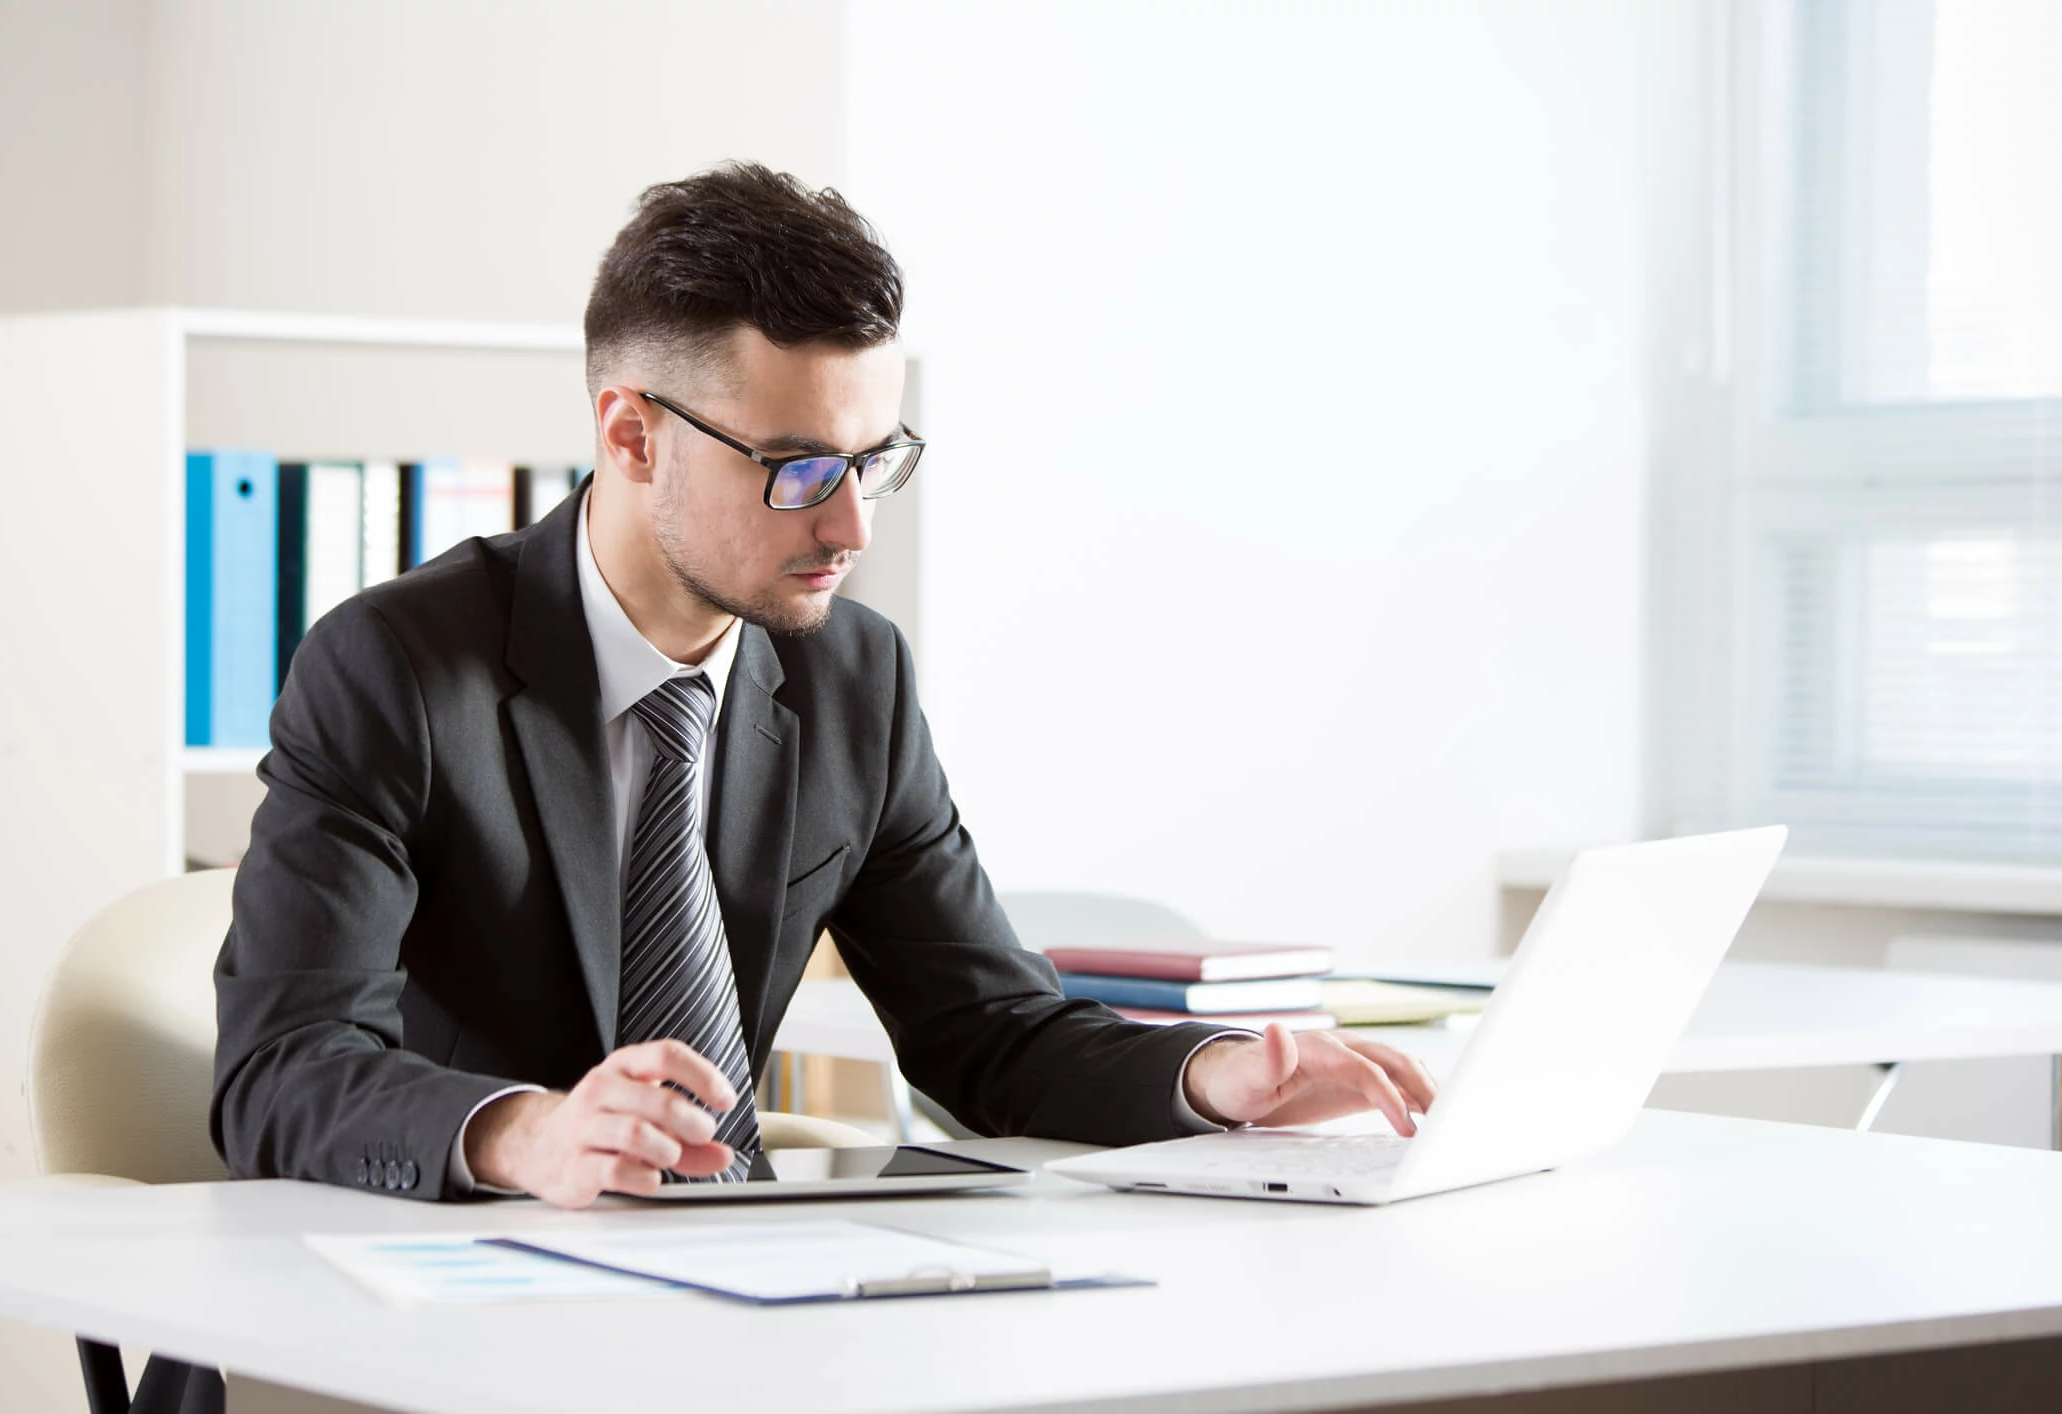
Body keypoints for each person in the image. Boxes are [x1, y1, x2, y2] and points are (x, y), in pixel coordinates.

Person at [212, 162, 1435, 1207]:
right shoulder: (394, 669)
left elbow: (988, 1031)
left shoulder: (854, 677)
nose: (851, 525)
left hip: (741, 1292)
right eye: (797, 468)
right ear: (632, 436)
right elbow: (279, 1069)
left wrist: (1216, 1076)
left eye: (872, 460)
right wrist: (527, 1133)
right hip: (442, 1292)